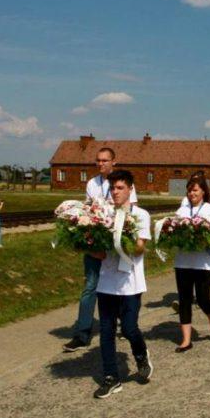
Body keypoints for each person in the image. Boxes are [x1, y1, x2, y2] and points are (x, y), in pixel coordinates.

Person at [64, 147, 138, 352]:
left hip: (115, 244)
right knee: (90, 286)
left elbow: (130, 212)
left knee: (119, 286)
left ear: (114, 162)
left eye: (105, 160)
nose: (101, 164)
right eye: (98, 160)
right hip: (96, 243)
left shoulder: (123, 182)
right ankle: (82, 333)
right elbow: (88, 209)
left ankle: (125, 324)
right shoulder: (92, 183)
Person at [92, 170, 152, 399]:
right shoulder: (103, 215)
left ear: (130, 189)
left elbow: (139, 247)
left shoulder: (141, 215)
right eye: (112, 188)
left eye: (119, 188)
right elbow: (99, 254)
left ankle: (140, 355)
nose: (115, 193)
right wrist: (85, 244)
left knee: (129, 328)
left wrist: (121, 238)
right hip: (107, 282)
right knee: (106, 331)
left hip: (131, 283)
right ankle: (111, 377)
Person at [172, 176, 210, 352]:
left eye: (195, 190)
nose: (191, 193)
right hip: (183, 261)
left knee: (203, 299)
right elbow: (173, 231)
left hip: (204, 262)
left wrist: (205, 239)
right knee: (184, 299)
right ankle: (186, 339)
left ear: (203, 191)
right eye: (189, 190)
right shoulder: (181, 210)